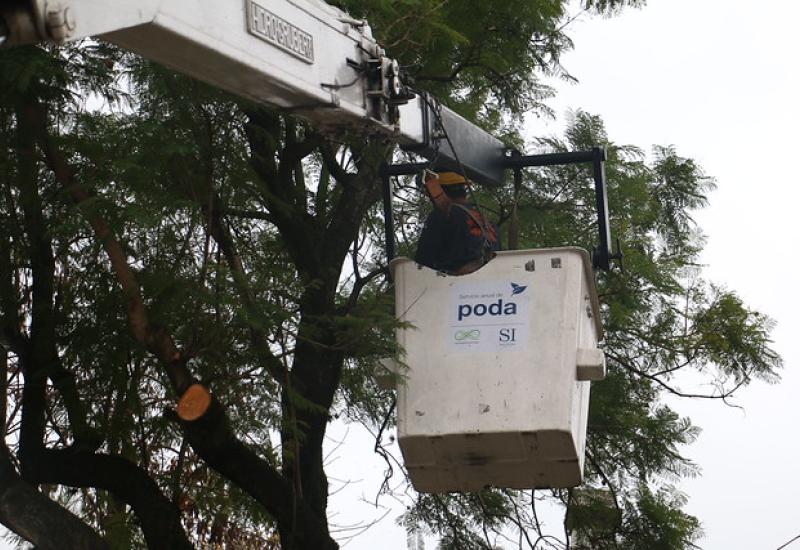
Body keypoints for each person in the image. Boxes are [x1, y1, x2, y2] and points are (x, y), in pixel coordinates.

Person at [414, 170, 501, 275]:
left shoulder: (442, 215)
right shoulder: (487, 221)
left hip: (456, 287)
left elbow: (422, 264)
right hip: (491, 284)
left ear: (437, 191)